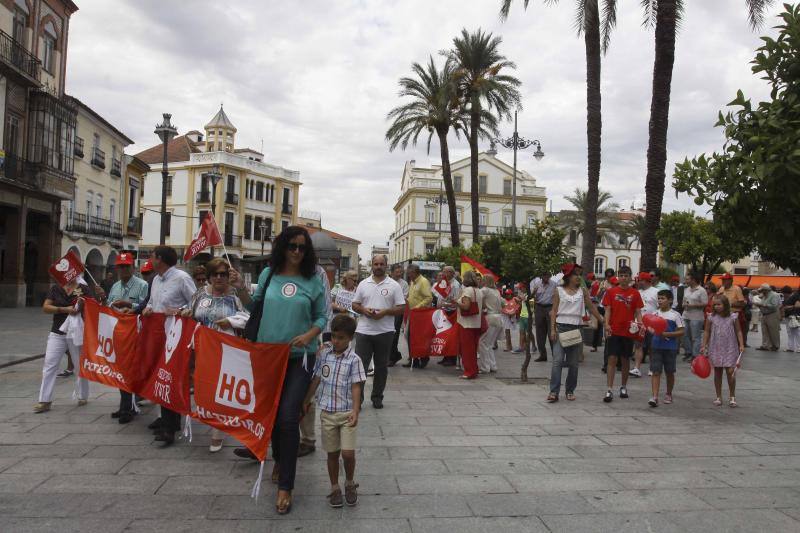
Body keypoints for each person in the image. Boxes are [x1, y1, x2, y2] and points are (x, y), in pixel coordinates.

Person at [239, 226, 327, 515]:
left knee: (289, 416)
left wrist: (310, 335)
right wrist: (240, 289)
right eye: (292, 246)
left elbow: (322, 316)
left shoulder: (314, 279)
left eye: (302, 247)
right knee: (273, 415)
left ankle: (286, 487)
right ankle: (279, 457)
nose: (297, 252)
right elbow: (255, 307)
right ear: (282, 247)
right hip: (267, 355)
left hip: (301, 357)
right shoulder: (268, 275)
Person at [183, 257, 250, 452]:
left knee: (220, 389)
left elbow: (249, 316)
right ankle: (211, 417)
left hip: (226, 349)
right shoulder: (200, 294)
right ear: (209, 277)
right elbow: (190, 310)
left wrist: (231, 321)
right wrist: (185, 313)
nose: (219, 278)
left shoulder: (236, 295)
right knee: (204, 388)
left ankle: (217, 431)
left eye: (223, 274)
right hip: (201, 348)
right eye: (215, 274)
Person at [303, 314, 365, 508]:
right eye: (334, 337)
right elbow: (317, 379)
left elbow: (356, 386)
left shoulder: (354, 360)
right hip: (327, 413)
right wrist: (306, 400)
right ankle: (334, 487)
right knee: (331, 454)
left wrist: (355, 410)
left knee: (347, 453)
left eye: (341, 338)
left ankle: (349, 482)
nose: (336, 341)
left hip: (347, 413)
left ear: (350, 338)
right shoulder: (324, 355)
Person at [141, 245, 198, 446]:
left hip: (174, 335)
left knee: (170, 377)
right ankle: (166, 420)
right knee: (159, 376)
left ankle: (170, 425)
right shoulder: (155, 280)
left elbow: (196, 303)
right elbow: (153, 302)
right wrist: (148, 308)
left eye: (152, 256)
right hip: (156, 335)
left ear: (161, 259)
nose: (150, 259)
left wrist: (180, 310)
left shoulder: (182, 278)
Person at [351, 254, 405, 409]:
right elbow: (355, 304)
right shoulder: (363, 284)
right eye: (376, 264)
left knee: (381, 367)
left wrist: (385, 312)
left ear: (386, 265)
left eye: (381, 264)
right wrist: (363, 309)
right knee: (360, 367)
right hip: (364, 331)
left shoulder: (394, 285)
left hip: (385, 332)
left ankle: (377, 397)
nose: (379, 266)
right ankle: (358, 400)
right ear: (372, 265)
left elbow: (401, 308)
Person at [34, 277, 94, 413]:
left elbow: (92, 307)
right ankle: (44, 400)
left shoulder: (83, 288)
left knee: (79, 365)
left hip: (76, 332)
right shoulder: (56, 288)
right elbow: (46, 307)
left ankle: (82, 395)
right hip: (57, 330)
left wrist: (84, 305)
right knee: (50, 363)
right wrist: (64, 309)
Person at [547, 264, 602, 402]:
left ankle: (570, 390)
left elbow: (591, 307)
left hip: (577, 329)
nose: (578, 277)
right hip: (560, 328)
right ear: (568, 277)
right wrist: (552, 329)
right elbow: (554, 311)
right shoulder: (558, 290)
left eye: (579, 274)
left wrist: (603, 321)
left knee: (573, 363)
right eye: (575, 274)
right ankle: (554, 392)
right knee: (557, 361)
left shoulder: (583, 291)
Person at [106, 252, 150, 424]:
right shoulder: (115, 286)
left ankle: (129, 407)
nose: (123, 269)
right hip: (118, 333)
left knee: (131, 370)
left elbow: (145, 304)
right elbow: (109, 304)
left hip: (135, 333)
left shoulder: (142, 285)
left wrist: (128, 305)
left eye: (127, 266)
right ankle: (124, 405)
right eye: (121, 266)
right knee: (121, 371)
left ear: (133, 267)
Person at [601, 266, 643, 403]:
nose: (624, 278)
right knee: (611, 359)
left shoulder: (635, 293)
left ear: (630, 277)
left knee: (625, 360)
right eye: (622, 275)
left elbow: (638, 312)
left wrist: (640, 325)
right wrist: (606, 324)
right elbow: (607, 310)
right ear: (618, 277)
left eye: (626, 275)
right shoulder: (611, 292)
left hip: (628, 331)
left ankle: (623, 387)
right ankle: (609, 389)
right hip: (614, 330)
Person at [702, 294, 744, 407]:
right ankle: (718, 396)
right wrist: (704, 345)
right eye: (714, 305)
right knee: (718, 372)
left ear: (725, 305)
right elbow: (706, 332)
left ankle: (732, 396)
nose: (716, 307)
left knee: (730, 371)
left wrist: (741, 344)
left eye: (719, 304)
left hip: (730, 346)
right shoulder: (711, 317)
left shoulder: (733, 317)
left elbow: (739, 331)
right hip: (715, 346)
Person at [648, 290, 685, 407]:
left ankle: (669, 393)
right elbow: (650, 328)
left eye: (662, 298)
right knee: (656, 371)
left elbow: (681, 331)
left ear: (670, 300)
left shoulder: (675, 315)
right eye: (659, 298)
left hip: (670, 348)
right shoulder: (655, 314)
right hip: (656, 346)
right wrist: (651, 330)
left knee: (669, 372)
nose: (660, 301)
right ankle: (654, 396)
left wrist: (667, 334)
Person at [456, 270, 484, 380]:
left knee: (466, 350)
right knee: (473, 349)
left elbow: (466, 306)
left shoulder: (467, 290)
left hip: (466, 323)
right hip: (476, 322)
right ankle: (474, 369)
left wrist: (456, 302)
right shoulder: (479, 291)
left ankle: (469, 372)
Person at [403, 264, 433, 368]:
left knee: (420, 338)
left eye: (409, 273)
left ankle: (424, 358)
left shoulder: (423, 282)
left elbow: (429, 298)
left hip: (420, 315)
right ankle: (413, 359)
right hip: (412, 314)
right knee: (409, 336)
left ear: (415, 272)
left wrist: (418, 307)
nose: (408, 275)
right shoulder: (412, 281)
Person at [631, 272, 659, 378]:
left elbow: (659, 307)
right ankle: (637, 368)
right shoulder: (637, 292)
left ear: (646, 281)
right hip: (639, 322)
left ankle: (652, 368)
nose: (638, 282)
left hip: (652, 323)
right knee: (638, 345)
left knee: (652, 346)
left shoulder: (656, 292)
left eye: (640, 280)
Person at [434, 266, 461, 365]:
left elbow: (456, 300)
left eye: (445, 272)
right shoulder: (446, 282)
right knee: (445, 335)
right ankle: (446, 356)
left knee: (451, 336)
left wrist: (445, 304)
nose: (443, 274)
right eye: (443, 271)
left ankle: (451, 358)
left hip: (452, 313)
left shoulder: (455, 285)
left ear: (451, 273)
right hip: (444, 312)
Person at [478, 274, 503, 373]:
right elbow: (503, 303)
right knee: (489, 344)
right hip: (498, 318)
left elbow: (475, 297)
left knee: (483, 342)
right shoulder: (496, 291)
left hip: (490, 317)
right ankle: (493, 365)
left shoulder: (484, 290)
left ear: (485, 280)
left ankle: (485, 367)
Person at [530, 272, 557, 362]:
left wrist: (554, 309)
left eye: (547, 275)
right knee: (540, 332)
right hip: (539, 307)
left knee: (551, 332)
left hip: (550, 307)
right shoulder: (537, 284)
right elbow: (532, 297)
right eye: (544, 275)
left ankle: (555, 355)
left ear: (549, 276)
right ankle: (542, 355)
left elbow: (557, 297)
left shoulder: (554, 284)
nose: (546, 277)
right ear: (541, 276)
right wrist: (533, 292)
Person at [681, 272, 707, 362]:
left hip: (696, 316)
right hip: (686, 314)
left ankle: (695, 355)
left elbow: (705, 304)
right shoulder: (687, 289)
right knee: (684, 335)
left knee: (695, 337)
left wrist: (693, 305)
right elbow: (684, 300)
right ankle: (688, 352)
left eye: (688, 279)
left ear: (693, 280)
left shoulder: (701, 290)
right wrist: (684, 304)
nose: (686, 281)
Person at [388, 264, 409, 367]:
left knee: (394, 334)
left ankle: (392, 356)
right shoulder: (387, 281)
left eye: (401, 272)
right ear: (392, 272)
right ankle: (394, 354)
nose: (399, 274)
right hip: (386, 311)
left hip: (397, 311)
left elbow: (404, 298)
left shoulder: (404, 284)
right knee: (387, 334)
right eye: (397, 272)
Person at [718, 273, 747, 343]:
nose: (723, 281)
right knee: (724, 335)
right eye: (722, 280)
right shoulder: (721, 289)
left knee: (735, 334)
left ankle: (737, 349)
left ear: (731, 281)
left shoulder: (737, 289)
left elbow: (742, 304)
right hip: (723, 315)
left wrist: (729, 304)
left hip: (735, 314)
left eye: (725, 280)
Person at [755, 283, 781, 351]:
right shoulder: (764, 295)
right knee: (764, 331)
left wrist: (763, 305)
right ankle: (765, 345)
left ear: (766, 290)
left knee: (773, 331)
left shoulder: (774, 295)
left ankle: (775, 345)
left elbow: (774, 306)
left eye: (762, 290)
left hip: (772, 314)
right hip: (764, 314)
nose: (761, 292)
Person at [514, 283, 533, 354]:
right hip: (522, 316)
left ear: (525, 287)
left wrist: (523, 299)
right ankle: (521, 347)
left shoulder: (530, 295)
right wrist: (518, 301)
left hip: (528, 316)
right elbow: (521, 304)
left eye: (521, 288)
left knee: (529, 333)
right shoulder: (523, 295)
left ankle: (533, 346)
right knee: (521, 332)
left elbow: (531, 306)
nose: (520, 289)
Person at [782, 286, 800, 353]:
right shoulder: (796, 295)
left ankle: (793, 347)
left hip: (793, 316)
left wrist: (789, 307)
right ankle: (792, 347)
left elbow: (797, 305)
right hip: (793, 316)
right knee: (793, 332)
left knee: (795, 332)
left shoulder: (796, 295)